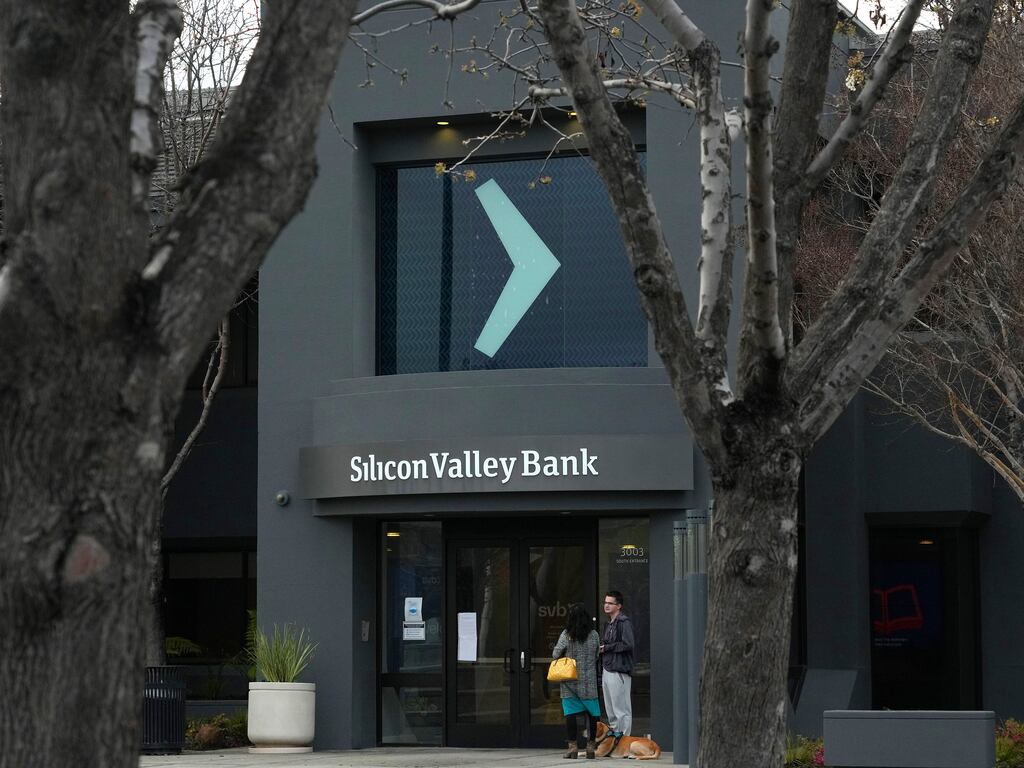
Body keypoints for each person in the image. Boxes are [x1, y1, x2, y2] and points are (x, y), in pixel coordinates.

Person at [552, 602, 601, 759]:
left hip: (569, 681)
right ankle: (591, 748)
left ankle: (572, 748)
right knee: (592, 716)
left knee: (571, 715)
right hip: (589, 683)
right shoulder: (594, 635)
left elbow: (555, 654)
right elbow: (596, 656)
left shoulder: (567, 634)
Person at [600, 590, 634, 738]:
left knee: (622, 709)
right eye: (605, 602)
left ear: (619, 606)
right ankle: (615, 739)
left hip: (619, 669)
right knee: (611, 709)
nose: (606, 605)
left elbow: (628, 644)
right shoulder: (609, 624)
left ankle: (624, 739)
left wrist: (606, 648)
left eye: (610, 603)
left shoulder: (623, 622)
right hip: (607, 668)